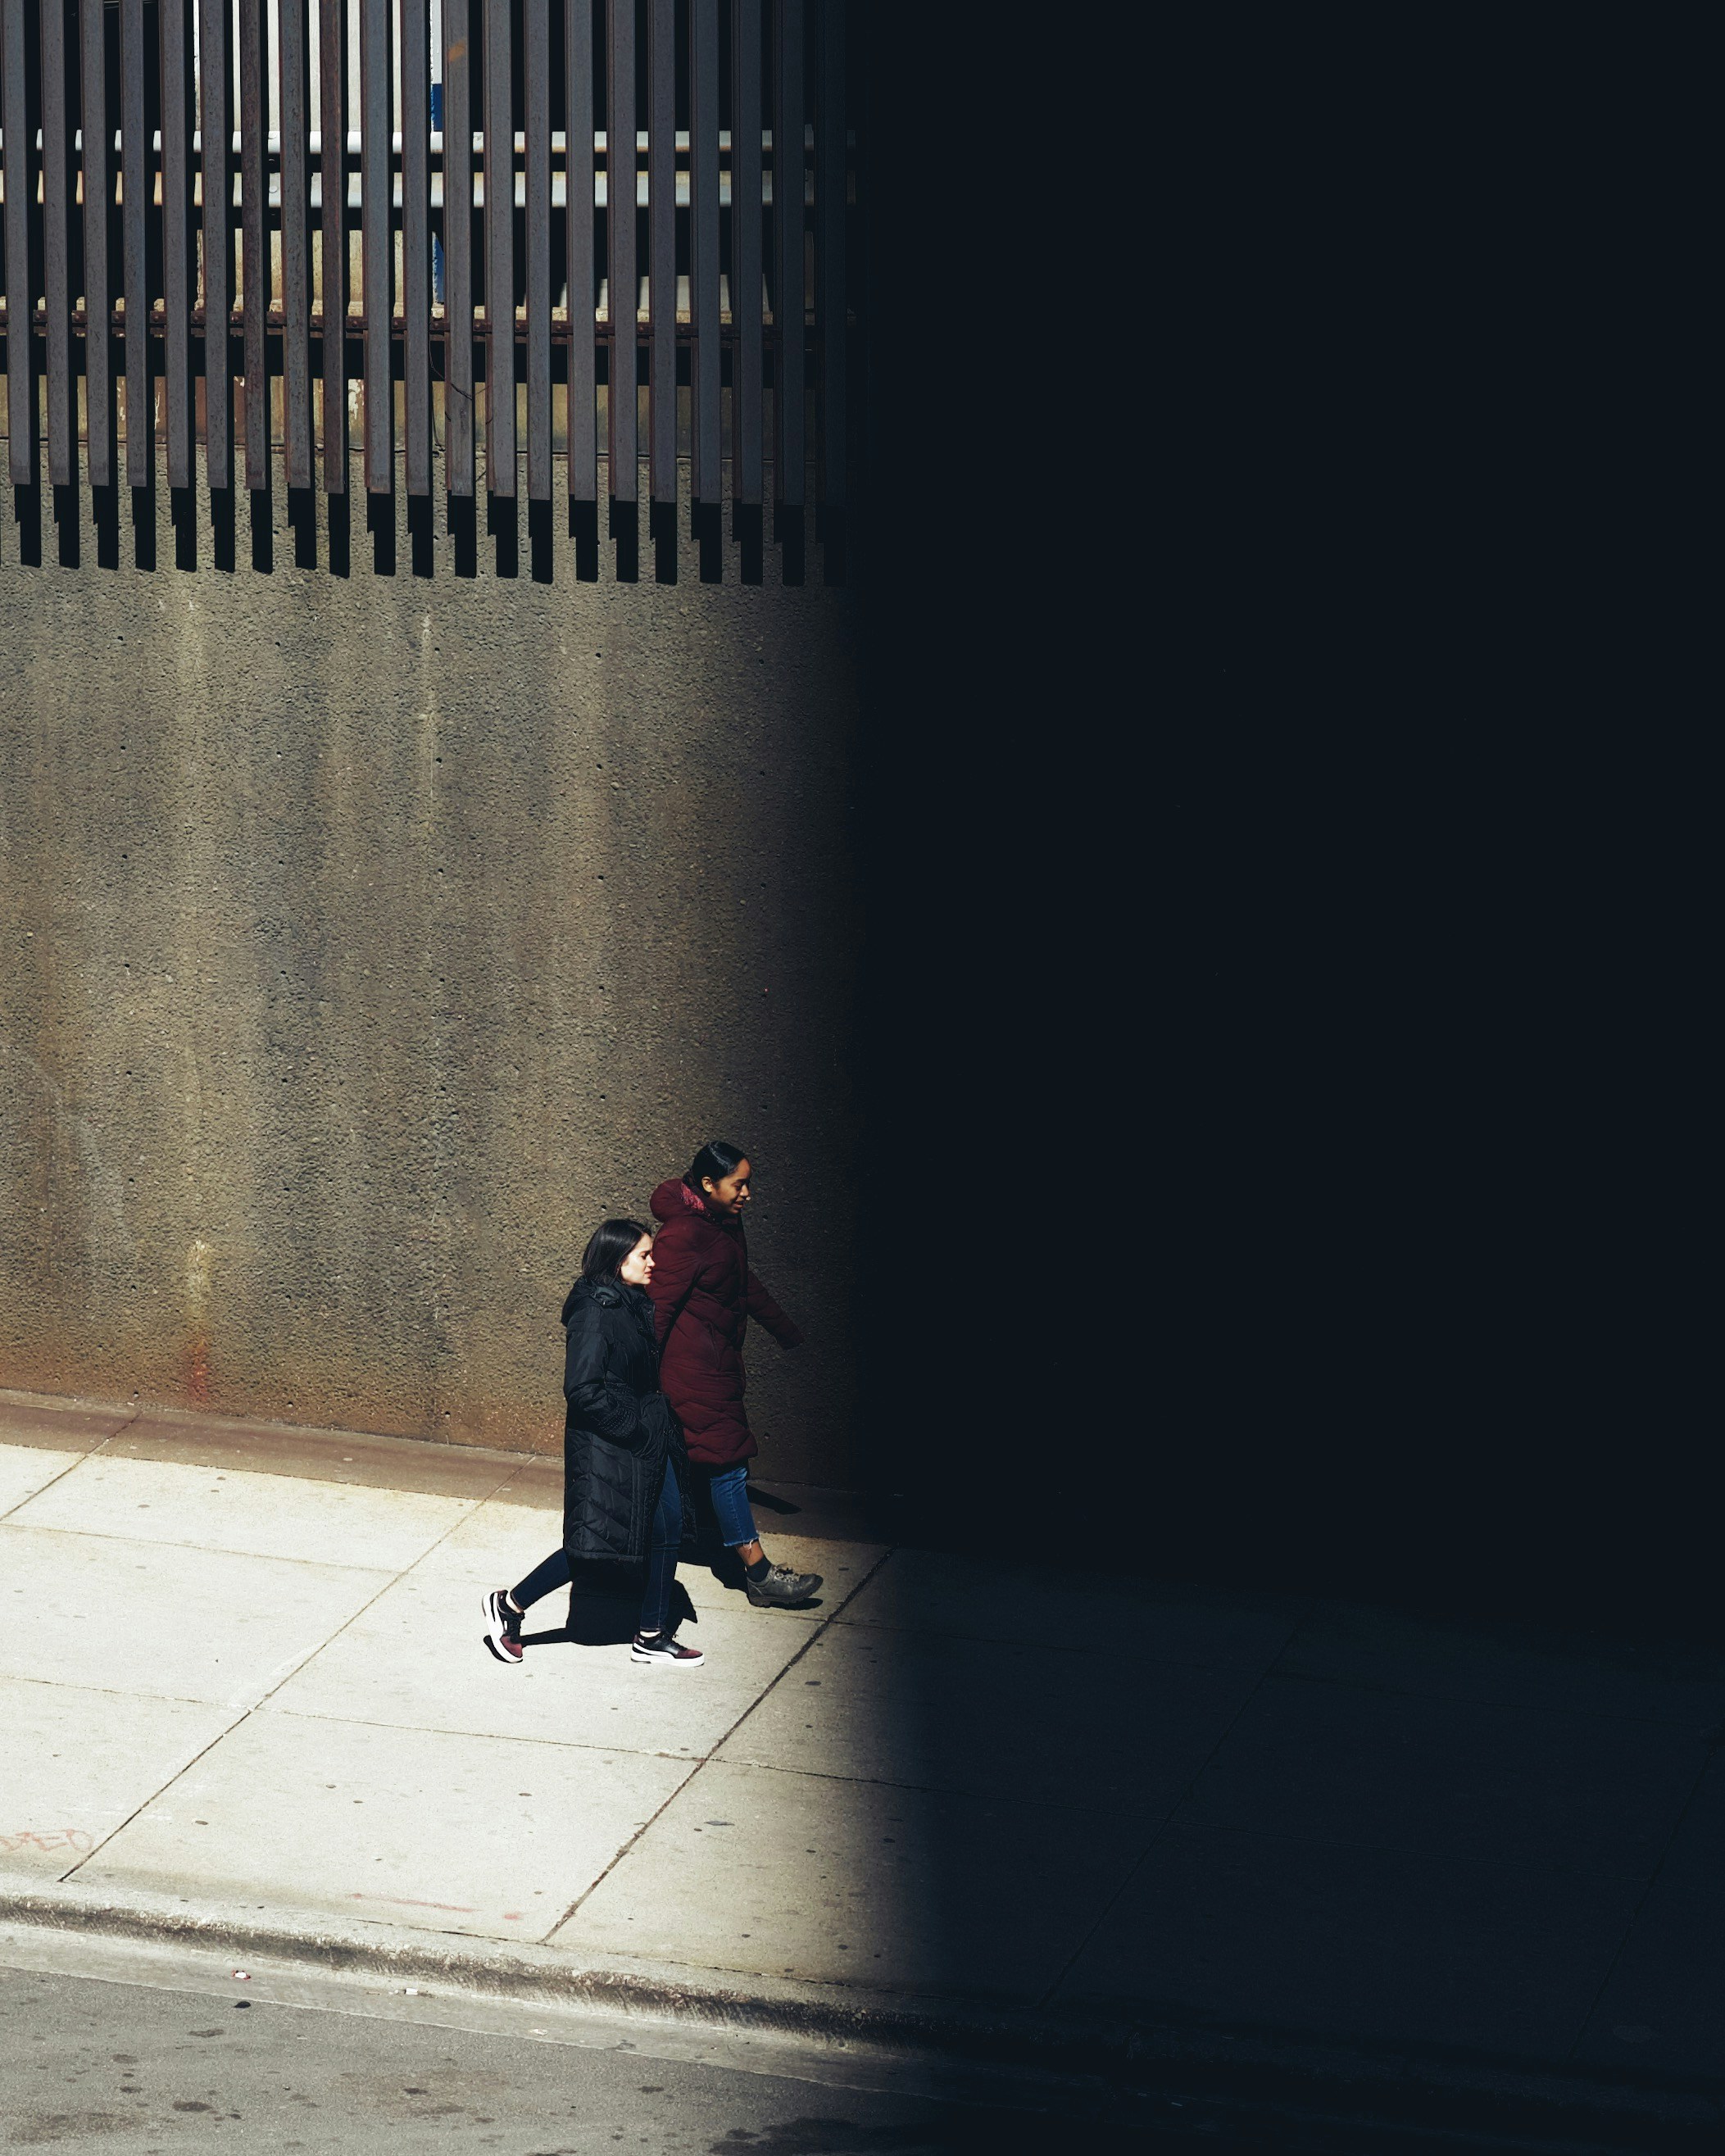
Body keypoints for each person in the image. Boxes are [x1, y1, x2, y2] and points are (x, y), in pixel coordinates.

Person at [482, 1219, 702, 1668]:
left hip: (643, 1439)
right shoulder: (595, 1311)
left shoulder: (631, 1303)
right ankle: (509, 1605)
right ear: (618, 1260)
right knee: (595, 1543)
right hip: (612, 1443)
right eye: (644, 1254)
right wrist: (634, 1429)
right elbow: (583, 1388)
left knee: (666, 1527)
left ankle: (652, 1633)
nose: (653, 1262)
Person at [647, 1141, 821, 1607]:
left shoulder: (722, 1223)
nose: (747, 1193)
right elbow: (658, 1312)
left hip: (717, 1365)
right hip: (693, 1373)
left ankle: (702, 1537)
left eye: (748, 1182)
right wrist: (641, 1375)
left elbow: (741, 1282)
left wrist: (785, 1330)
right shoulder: (684, 1234)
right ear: (708, 1185)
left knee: (714, 1463)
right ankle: (759, 1574)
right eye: (738, 1184)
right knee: (727, 1465)